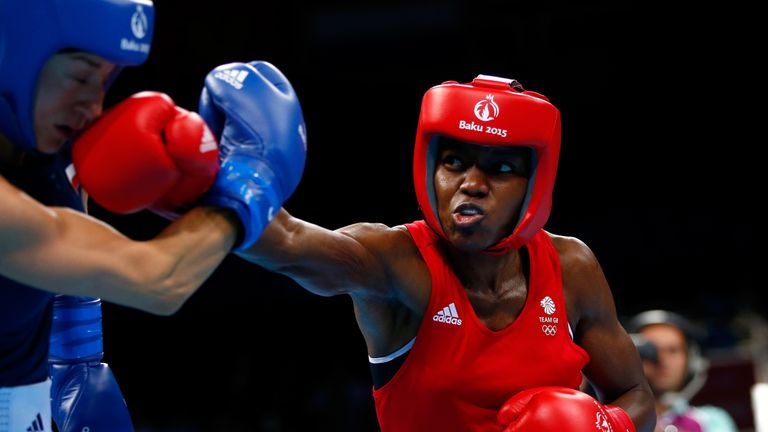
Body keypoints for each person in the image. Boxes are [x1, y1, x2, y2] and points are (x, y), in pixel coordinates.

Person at [234, 74, 656, 431]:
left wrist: (602, 424)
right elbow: (288, 243)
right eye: (454, 162)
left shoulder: (570, 267)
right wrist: (225, 181)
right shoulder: (395, 260)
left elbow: (635, 394)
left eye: (501, 168)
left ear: (535, 186)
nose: (471, 183)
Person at [0, 0, 307, 430]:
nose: (93, 107)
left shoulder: (45, 142)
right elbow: (158, 279)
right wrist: (250, 186)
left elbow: (67, 266)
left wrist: (78, 364)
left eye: (107, 79)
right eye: (82, 75)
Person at [627, 310, 739, 432]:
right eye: (651, 350)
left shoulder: (710, 421)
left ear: (690, 361)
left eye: (673, 350)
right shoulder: (611, 416)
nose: (662, 360)